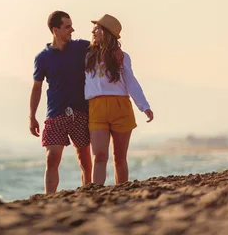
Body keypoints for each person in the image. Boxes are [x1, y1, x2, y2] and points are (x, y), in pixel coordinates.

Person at [84, 14, 154, 185]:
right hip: (96, 107)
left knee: (119, 157)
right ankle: (96, 191)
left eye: (98, 28)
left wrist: (144, 106)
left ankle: (121, 190)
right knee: (99, 155)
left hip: (120, 107)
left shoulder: (122, 57)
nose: (93, 31)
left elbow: (131, 82)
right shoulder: (86, 55)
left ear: (107, 33)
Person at [29, 10, 92, 194]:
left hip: (81, 111)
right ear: (55, 30)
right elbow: (37, 88)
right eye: (67, 27)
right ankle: (50, 197)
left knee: (84, 159)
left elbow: (102, 47)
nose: (72, 30)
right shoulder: (42, 57)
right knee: (52, 157)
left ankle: (88, 191)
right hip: (55, 113)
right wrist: (32, 116)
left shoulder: (80, 47)